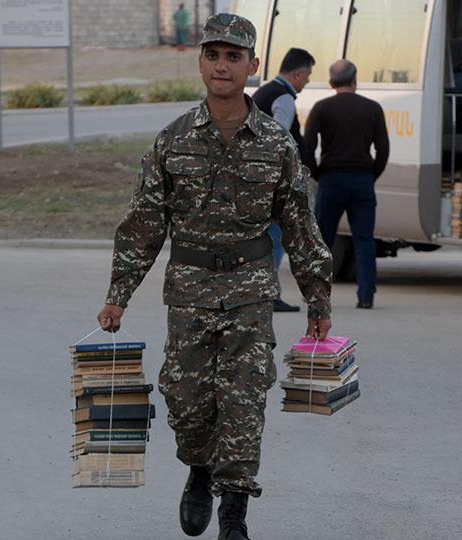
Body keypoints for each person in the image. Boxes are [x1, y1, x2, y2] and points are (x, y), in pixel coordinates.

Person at [96, 13, 332, 540]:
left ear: (252, 64)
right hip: (190, 292)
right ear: (201, 62)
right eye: (212, 55)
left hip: (250, 291)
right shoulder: (172, 139)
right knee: (186, 401)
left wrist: (318, 300)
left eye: (233, 56)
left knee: (244, 401)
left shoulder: (276, 144)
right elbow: (143, 225)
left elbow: (300, 226)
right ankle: (200, 469)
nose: (222, 66)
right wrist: (118, 295)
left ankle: (234, 514)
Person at [302, 59, 389, 309]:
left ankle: (318, 295)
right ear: (355, 80)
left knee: (323, 240)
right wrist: (371, 175)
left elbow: (307, 147)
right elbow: (383, 149)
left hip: (331, 180)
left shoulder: (322, 108)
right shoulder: (373, 108)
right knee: (364, 240)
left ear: (331, 82)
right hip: (362, 181)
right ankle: (366, 296)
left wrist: (317, 173)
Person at [251, 47, 316, 313]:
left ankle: (259, 292)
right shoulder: (283, 97)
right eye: (307, 77)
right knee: (276, 237)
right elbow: (280, 140)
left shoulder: (263, 93)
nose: (306, 82)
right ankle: (270, 294)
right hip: (274, 181)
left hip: (256, 177)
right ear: (297, 73)